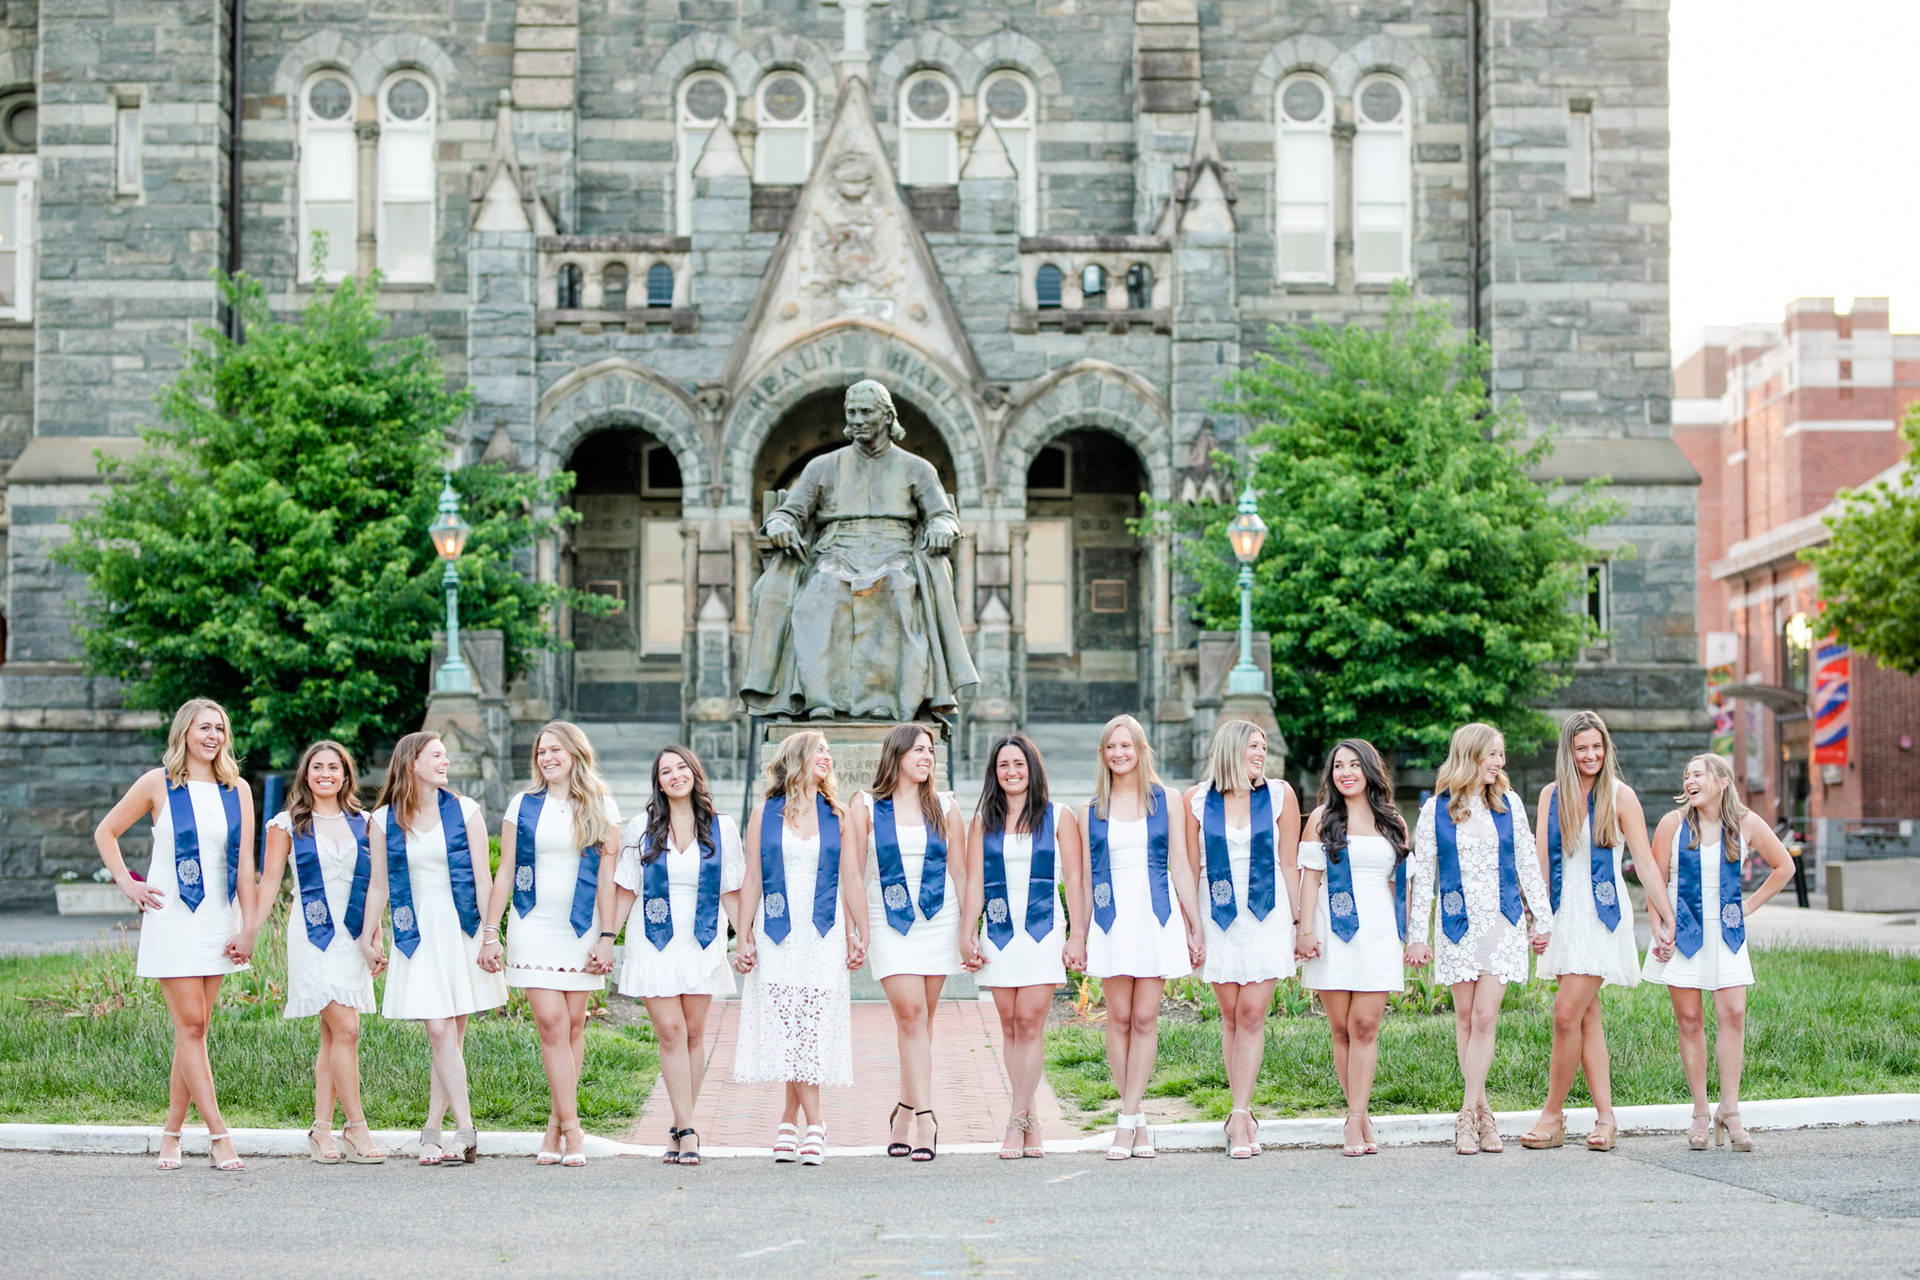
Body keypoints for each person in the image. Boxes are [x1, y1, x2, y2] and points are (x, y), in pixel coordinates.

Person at [741, 378, 979, 721]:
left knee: (895, 586)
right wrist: (779, 525)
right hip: (835, 551)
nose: (857, 419)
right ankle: (818, 698)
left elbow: (943, 516)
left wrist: (942, 528)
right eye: (851, 412)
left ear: (887, 416)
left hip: (895, 552)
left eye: (866, 411)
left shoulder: (917, 468)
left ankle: (886, 699)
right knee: (821, 590)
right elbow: (789, 513)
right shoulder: (823, 466)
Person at [93, 698, 259, 1173]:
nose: (213, 736)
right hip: (172, 918)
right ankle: (219, 1136)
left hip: (217, 920)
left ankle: (171, 1133)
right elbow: (107, 832)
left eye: (220, 729)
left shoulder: (237, 789)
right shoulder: (157, 784)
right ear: (185, 731)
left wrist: (247, 927)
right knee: (189, 1026)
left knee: (197, 1030)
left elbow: (245, 865)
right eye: (205, 727)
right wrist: (127, 882)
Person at [1520, 712, 1665, 1152]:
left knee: (1565, 1014)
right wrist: (1538, 917)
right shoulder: (1551, 796)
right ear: (1569, 751)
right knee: (1586, 1017)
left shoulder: (1621, 797)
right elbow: (1542, 863)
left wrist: (1667, 918)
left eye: (1598, 747)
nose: (1591, 755)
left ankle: (1552, 1115)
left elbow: (1644, 862)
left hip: (1602, 917)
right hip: (1565, 915)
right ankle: (1605, 1119)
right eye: (1582, 748)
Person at [1406, 723, 1553, 1156]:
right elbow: (1424, 876)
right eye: (1493, 755)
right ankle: (1485, 1116)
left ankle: (1465, 1116)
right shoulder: (1436, 810)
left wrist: (1541, 919)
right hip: (1456, 926)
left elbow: (1527, 863)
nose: (1499, 763)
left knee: (1486, 1018)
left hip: (1502, 925)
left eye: (1501, 755)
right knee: (1466, 1019)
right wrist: (1417, 936)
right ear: (1470, 755)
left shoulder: (1509, 805)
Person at [477, 722, 620, 1168]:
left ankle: (556, 1125)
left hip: (580, 928)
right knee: (553, 1024)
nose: (547, 758)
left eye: (555, 750)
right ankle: (573, 1130)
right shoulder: (523, 804)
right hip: (532, 924)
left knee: (575, 1026)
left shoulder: (601, 805)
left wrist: (607, 937)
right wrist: (489, 930)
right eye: (541, 752)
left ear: (576, 752)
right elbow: (505, 872)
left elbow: (607, 880)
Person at [360, 731, 506, 1166]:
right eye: (437, 756)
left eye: (445, 756)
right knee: (439, 1031)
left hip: (460, 928)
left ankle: (433, 1131)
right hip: (416, 933)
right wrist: (369, 936)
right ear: (412, 763)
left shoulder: (466, 812)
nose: (445, 762)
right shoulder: (384, 820)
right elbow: (379, 885)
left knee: (450, 1039)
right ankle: (465, 1129)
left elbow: (484, 878)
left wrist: (491, 934)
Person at [1641, 754, 1795, 1151]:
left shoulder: (1745, 822)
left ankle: (1730, 1110)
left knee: (1734, 1015)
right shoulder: (1672, 825)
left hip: (1726, 934)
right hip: (1682, 931)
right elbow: (1655, 882)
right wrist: (1658, 927)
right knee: (1689, 1020)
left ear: (1722, 781)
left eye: (1697, 774)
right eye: (1686, 775)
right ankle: (1698, 1110)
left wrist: (1749, 906)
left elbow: (1783, 867)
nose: (1689, 781)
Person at [733, 731, 866, 1165]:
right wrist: (743, 934)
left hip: (822, 935)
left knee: (809, 1028)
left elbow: (851, 879)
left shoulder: (838, 815)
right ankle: (811, 1124)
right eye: (819, 751)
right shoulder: (763, 814)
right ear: (796, 758)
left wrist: (857, 934)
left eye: (830, 750)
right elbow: (752, 877)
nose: (827, 757)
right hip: (778, 934)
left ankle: (797, 1122)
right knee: (788, 1028)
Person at [610, 745, 745, 1167]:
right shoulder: (640, 827)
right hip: (653, 939)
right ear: (659, 782)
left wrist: (747, 938)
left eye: (681, 767)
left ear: (694, 773)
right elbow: (626, 888)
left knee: (692, 1034)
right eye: (665, 771)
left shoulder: (722, 827)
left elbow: (733, 888)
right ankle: (688, 1130)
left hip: (702, 938)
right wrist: (605, 937)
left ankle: (680, 1122)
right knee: (669, 1031)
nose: (675, 775)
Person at [1082, 714, 1204, 1161]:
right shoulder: (1091, 808)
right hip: (1112, 918)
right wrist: (1080, 934)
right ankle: (1132, 1118)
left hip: (1155, 915)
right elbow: (1080, 879)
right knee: (1118, 1018)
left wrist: (1193, 924)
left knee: (1145, 1019)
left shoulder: (1166, 799)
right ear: (1103, 753)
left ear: (1140, 750)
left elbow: (1181, 866)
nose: (1119, 754)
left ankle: (1129, 1118)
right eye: (1111, 747)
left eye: (1126, 746)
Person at [257, 739, 384, 1164]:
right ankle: (357, 1129)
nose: (325, 773)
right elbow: (270, 883)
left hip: (352, 938)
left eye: (334, 767)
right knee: (346, 1028)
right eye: (317, 767)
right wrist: (249, 930)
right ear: (306, 775)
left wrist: (374, 936)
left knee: (335, 1036)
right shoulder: (286, 825)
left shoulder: (364, 823)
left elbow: (373, 887)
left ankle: (322, 1131)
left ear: (347, 775)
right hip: (311, 937)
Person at [960, 734, 1086, 1159]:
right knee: (1010, 1025)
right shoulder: (982, 822)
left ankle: (1015, 1122)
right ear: (994, 773)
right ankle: (1029, 1116)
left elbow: (1074, 880)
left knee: (1030, 1023)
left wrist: (1078, 935)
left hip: (1042, 930)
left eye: (1019, 764)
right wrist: (967, 931)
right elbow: (974, 883)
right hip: (998, 932)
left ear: (1032, 767)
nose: (1012, 772)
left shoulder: (1059, 817)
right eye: (1003, 766)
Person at [1180, 719, 1300, 1159]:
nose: (1260, 753)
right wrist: (1192, 926)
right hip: (1218, 916)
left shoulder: (1280, 796)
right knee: (1230, 1015)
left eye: (1264, 747)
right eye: (1253, 745)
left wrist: (1299, 921)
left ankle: (1241, 1113)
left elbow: (1289, 864)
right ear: (1231, 749)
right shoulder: (1196, 801)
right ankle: (1237, 1113)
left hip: (1266, 915)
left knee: (1252, 1014)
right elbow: (1190, 870)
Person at [850, 723, 968, 1162]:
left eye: (931, 751)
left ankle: (902, 1108)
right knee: (912, 1014)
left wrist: (965, 929)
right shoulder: (865, 806)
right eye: (918, 750)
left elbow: (960, 873)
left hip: (939, 919)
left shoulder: (945, 806)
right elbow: (853, 875)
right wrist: (857, 929)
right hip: (889, 921)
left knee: (919, 1022)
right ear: (896, 754)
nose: (927, 757)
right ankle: (926, 1117)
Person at [1294, 739, 1410, 1158]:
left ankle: (1357, 1116)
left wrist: (1411, 934)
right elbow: (1309, 877)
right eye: (1338, 766)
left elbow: (1401, 886)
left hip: (1376, 933)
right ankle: (1356, 1115)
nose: (1345, 772)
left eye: (1353, 765)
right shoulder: (1322, 819)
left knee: (1365, 1026)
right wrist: (1304, 930)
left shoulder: (1392, 821)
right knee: (1340, 1028)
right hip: (1332, 930)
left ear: (1369, 770)